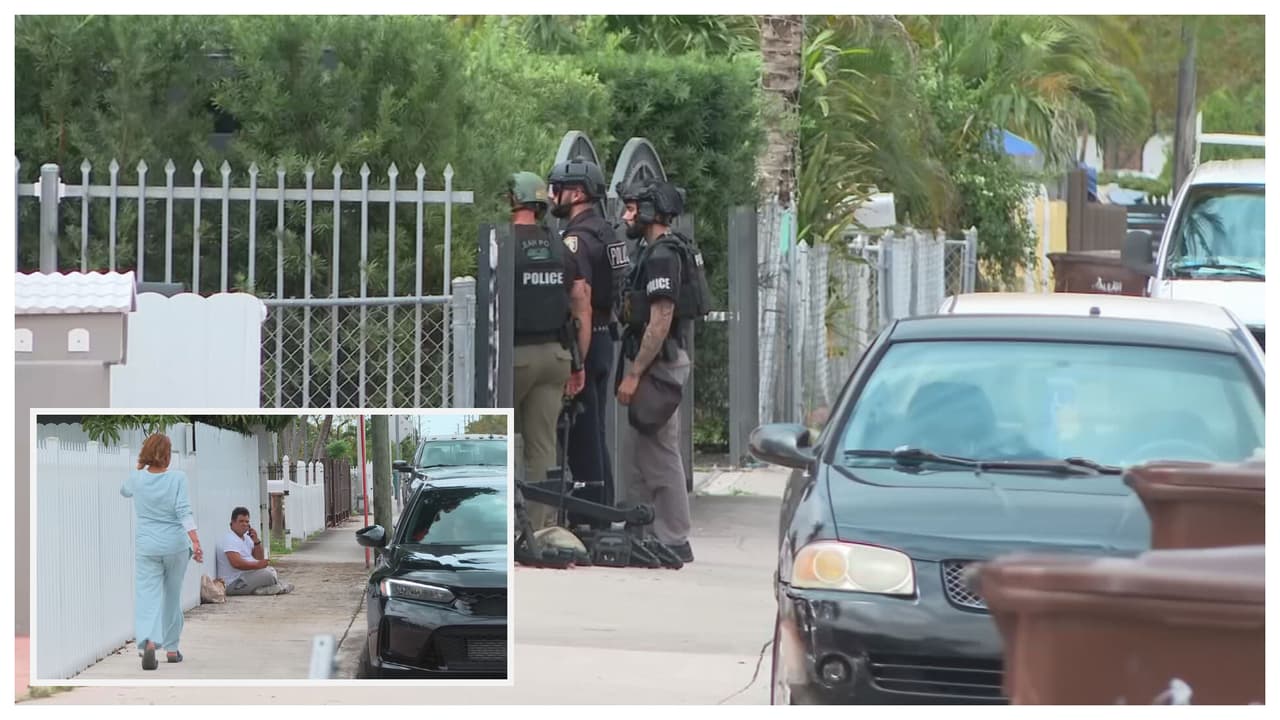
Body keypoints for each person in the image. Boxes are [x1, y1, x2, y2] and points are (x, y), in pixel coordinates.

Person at [615, 179, 711, 564]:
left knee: (660, 452)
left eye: (632, 208)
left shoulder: (662, 257)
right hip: (660, 362)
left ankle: (673, 537)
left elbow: (660, 319)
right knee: (645, 450)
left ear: (651, 212)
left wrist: (635, 373)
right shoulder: (660, 250)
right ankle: (647, 531)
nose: (626, 216)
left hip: (659, 364)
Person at [509, 171, 591, 530]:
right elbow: (582, 302)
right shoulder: (561, 247)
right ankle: (539, 529)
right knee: (543, 446)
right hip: (556, 357)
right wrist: (578, 362)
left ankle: (508, 524)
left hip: (514, 359)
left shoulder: (503, 244)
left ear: (513, 199)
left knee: (503, 437)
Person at [547, 157, 628, 513]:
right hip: (605, 337)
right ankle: (602, 509)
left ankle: (591, 516)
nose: (552, 196)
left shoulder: (576, 240)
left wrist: (575, 361)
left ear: (577, 193)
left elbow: (581, 298)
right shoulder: (607, 233)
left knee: (581, 438)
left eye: (557, 189)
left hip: (587, 341)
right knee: (596, 433)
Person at [120, 433, 203, 670]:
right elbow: (183, 510)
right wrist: (195, 541)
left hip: (147, 546)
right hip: (176, 545)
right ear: (167, 455)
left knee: (148, 595)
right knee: (172, 596)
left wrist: (140, 471)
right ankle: (172, 649)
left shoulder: (137, 478)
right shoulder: (178, 478)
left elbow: (124, 491)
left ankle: (148, 641)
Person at [215, 507, 294, 596]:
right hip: (234, 583)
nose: (244, 524)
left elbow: (258, 558)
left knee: (271, 570)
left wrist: (256, 541)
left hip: (245, 577)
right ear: (232, 523)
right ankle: (278, 587)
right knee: (268, 575)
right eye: (241, 521)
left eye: (247, 522)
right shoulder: (230, 539)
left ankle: (262, 590)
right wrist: (258, 565)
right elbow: (236, 563)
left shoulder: (247, 538)